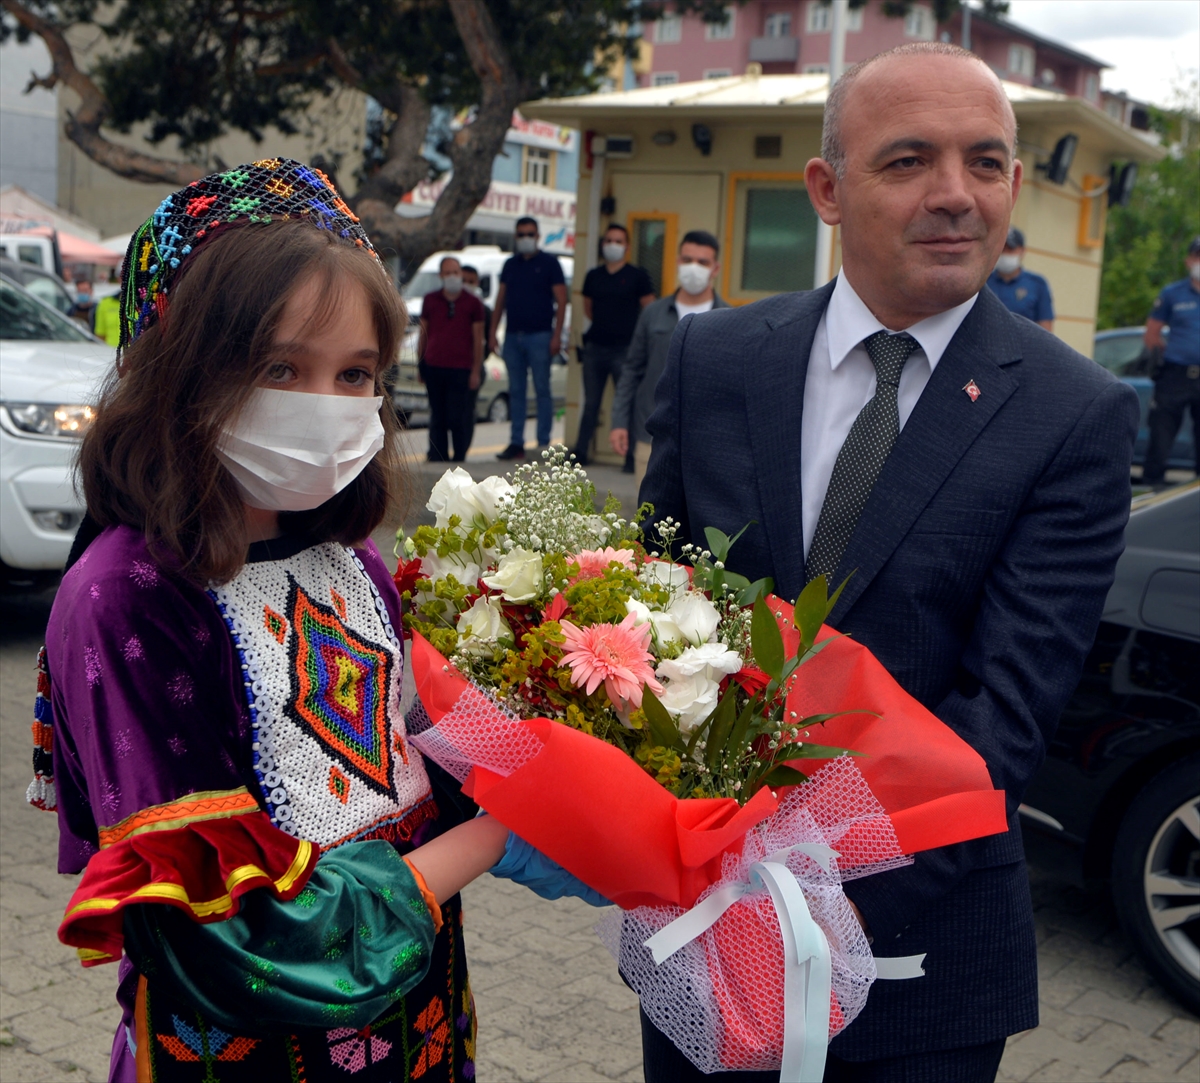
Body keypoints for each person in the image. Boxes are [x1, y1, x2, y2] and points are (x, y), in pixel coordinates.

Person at [638, 43, 1138, 1083]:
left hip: (920, 959)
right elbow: (648, 615)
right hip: (700, 941)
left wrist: (804, 901)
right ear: (827, 188)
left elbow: (1001, 717)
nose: (956, 196)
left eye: (987, 162)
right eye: (909, 160)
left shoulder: (1073, 415)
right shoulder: (714, 362)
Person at [36, 160, 592, 1082]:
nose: (325, 409)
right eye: (279, 368)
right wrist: (490, 838)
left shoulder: (353, 559)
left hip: (421, 1025)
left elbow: (411, 754)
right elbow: (232, 942)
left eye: (356, 373)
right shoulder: (128, 596)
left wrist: (574, 777)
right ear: (176, 366)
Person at [610, 231, 728, 484]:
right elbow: (631, 370)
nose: (693, 268)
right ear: (677, 261)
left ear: (715, 268)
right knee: (649, 518)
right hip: (651, 436)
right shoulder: (653, 313)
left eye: (702, 262)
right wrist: (619, 422)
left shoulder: (730, 319)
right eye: (687, 259)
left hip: (707, 444)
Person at [574, 223, 655, 466]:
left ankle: (631, 456)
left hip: (626, 350)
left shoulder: (637, 276)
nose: (613, 245)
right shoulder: (593, 276)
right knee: (590, 403)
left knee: (626, 401)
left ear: (627, 246)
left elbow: (650, 310)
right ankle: (580, 453)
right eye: (609, 240)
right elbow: (588, 309)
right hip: (595, 348)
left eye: (618, 241)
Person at [489, 217, 567, 459]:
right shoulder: (511, 264)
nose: (525, 238)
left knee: (543, 389)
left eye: (529, 234)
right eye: (521, 234)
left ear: (538, 236)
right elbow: (500, 300)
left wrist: (557, 336)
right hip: (513, 335)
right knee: (516, 391)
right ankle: (516, 442)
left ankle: (544, 443)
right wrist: (492, 333)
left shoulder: (550, 263)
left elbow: (562, 301)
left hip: (541, 336)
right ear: (516, 236)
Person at [1142, 236, 1200, 485]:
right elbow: (1152, 333)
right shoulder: (1172, 293)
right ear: (1189, 261)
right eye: (1198, 256)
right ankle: (1152, 488)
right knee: (1161, 436)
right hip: (1175, 375)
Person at [419, 255, 485, 462]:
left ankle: (459, 455)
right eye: (447, 273)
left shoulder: (473, 303)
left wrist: (475, 370)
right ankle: (437, 454)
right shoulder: (430, 300)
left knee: (458, 416)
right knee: (437, 414)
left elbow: (478, 338)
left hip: (461, 367)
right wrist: (421, 363)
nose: (452, 277)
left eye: (455, 273)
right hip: (434, 365)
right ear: (441, 275)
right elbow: (423, 333)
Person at [986, 226, 1054, 331]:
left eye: (1011, 249)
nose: (1005, 254)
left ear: (1022, 251)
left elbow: (1046, 329)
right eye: (1002, 248)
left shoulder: (1037, 284)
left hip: (1024, 346)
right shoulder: (984, 282)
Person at [460, 263, 492, 448]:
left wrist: (477, 364)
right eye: (463, 280)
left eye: (470, 281)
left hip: (472, 367)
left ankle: (462, 450)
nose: (466, 284)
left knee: (467, 410)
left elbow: (485, 341)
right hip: (451, 366)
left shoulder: (483, 310)